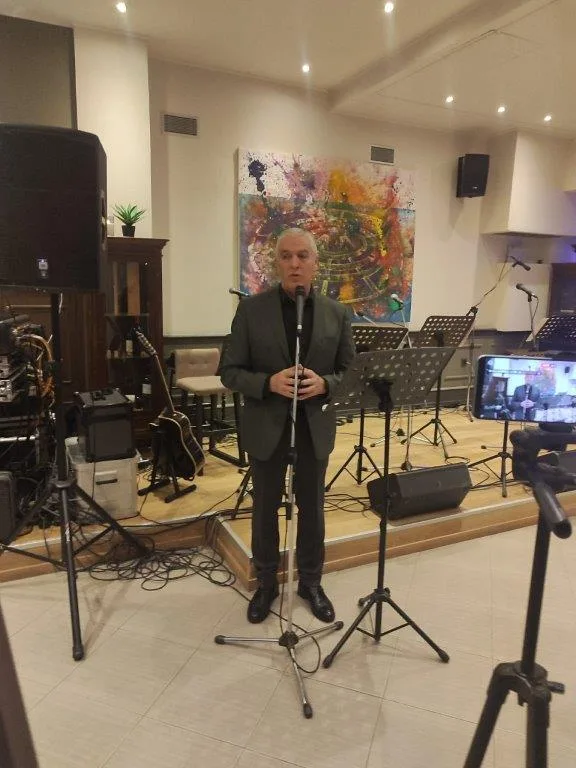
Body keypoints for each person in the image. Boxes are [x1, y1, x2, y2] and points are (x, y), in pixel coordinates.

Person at [220, 228, 356, 623]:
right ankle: (266, 583)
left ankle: (311, 582)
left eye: (302, 256)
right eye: (286, 256)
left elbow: (350, 372)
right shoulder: (251, 311)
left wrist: (326, 384)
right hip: (266, 427)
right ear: (276, 262)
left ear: (315, 262)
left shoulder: (337, 313)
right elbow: (229, 371)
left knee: (312, 509)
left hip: (314, 428)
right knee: (264, 509)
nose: (294, 264)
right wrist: (267, 383)